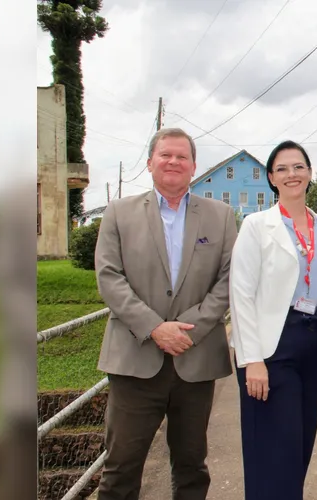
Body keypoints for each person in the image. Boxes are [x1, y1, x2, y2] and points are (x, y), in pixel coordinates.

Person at [94, 127, 238, 500]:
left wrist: (190, 329)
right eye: (165, 155)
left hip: (196, 359)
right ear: (149, 163)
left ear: (194, 167)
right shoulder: (119, 212)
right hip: (134, 359)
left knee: (192, 466)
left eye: (182, 157)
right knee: (121, 466)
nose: (173, 162)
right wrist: (155, 327)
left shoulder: (220, 217)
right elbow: (109, 277)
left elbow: (228, 280)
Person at [229, 140, 317, 499]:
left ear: (310, 173)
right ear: (271, 178)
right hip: (271, 347)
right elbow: (241, 294)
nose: (291, 174)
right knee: (272, 451)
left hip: (313, 343)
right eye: (282, 169)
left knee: (299, 446)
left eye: (298, 167)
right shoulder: (256, 226)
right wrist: (252, 360)